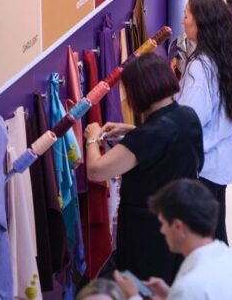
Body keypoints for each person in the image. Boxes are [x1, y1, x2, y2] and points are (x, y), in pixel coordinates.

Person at [84, 54, 204, 284]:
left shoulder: (146, 137)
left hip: (148, 236)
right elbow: (167, 137)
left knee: (146, 288)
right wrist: (131, 130)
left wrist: (92, 137)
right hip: (182, 224)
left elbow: (96, 170)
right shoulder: (187, 116)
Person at [112, 179, 232, 300]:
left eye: (163, 223)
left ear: (178, 226)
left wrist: (133, 296)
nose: (162, 230)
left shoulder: (189, 286)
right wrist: (171, 295)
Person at [176, 0, 232, 244]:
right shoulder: (225, 56)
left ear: (201, 23)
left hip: (202, 167)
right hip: (219, 161)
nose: (182, 21)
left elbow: (188, 120)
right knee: (216, 236)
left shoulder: (199, 67)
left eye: (186, 16)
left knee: (205, 242)